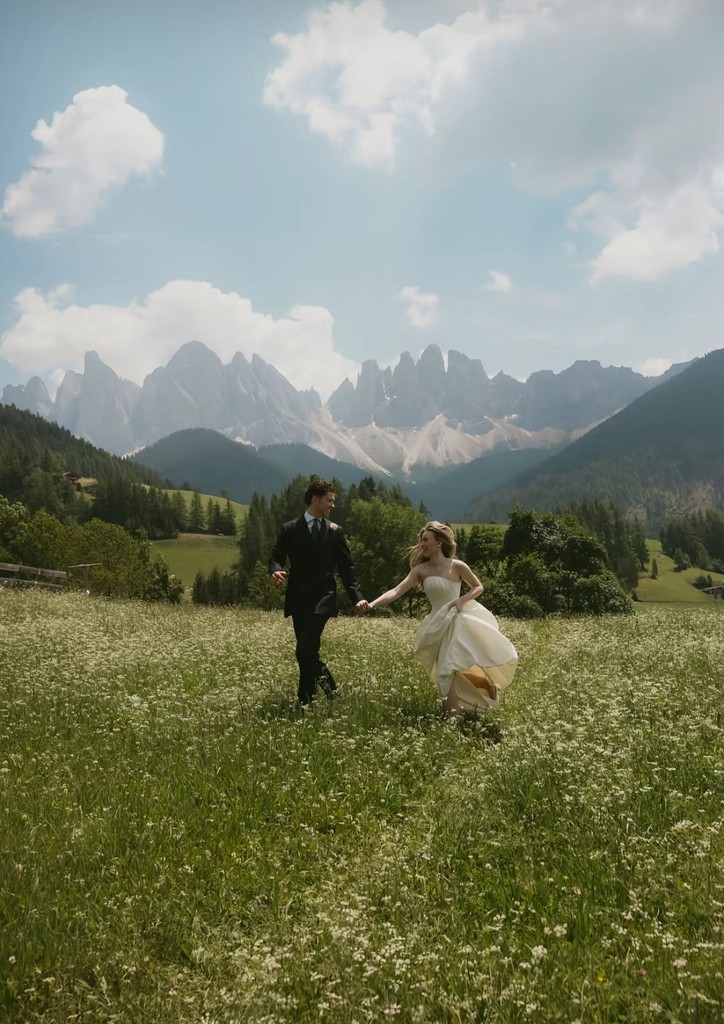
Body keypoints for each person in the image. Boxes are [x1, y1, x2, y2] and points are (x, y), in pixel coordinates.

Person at [366, 521, 517, 717]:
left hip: (458, 621)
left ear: (438, 543)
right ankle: (460, 709)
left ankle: (452, 717)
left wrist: (462, 600)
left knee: (450, 667)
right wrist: (371, 604)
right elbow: (396, 591)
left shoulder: (458, 566)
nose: (422, 544)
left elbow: (478, 586)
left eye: (426, 540)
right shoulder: (421, 570)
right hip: (437, 624)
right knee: (450, 670)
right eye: (421, 540)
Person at [269, 478, 368, 707]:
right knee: (307, 653)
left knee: (304, 649)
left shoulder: (335, 532)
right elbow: (276, 556)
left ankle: (308, 701)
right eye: (329, 500)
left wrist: (358, 597)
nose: (333, 505)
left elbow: (347, 568)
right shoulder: (290, 529)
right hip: (297, 599)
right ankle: (316, 699)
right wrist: (275, 570)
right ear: (315, 499)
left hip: (323, 599)